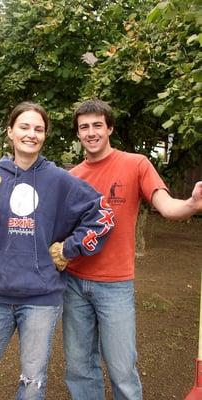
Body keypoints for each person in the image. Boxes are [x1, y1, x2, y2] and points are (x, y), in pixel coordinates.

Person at [0, 101, 115, 400]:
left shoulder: (59, 180)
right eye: (24, 127)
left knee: (33, 382)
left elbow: (103, 214)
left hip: (41, 300)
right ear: (10, 132)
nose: (31, 134)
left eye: (38, 129)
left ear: (45, 135)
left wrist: (70, 249)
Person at [59, 99, 202, 400]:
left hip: (115, 285)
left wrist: (192, 204)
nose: (91, 132)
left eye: (98, 125)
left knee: (122, 370)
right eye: (84, 127)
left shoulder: (136, 164)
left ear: (110, 128)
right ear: (78, 134)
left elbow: (167, 207)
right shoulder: (71, 178)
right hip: (73, 283)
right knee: (79, 367)